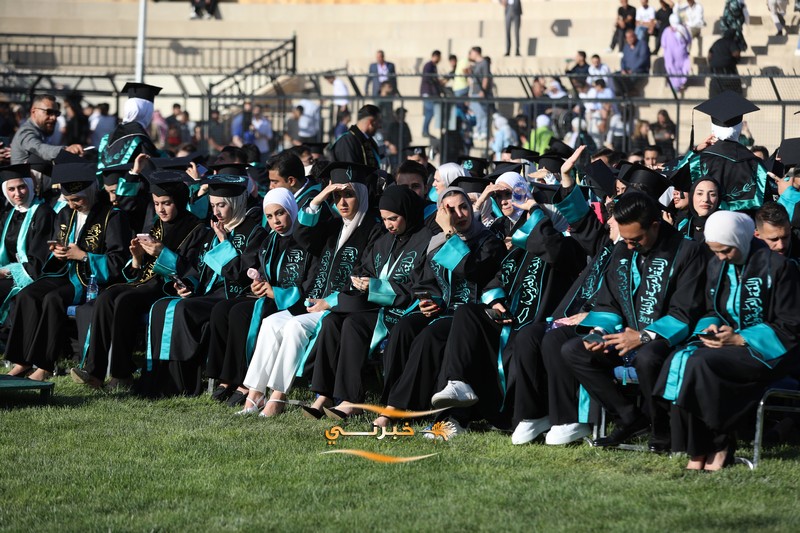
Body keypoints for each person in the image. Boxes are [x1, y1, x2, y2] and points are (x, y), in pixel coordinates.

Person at [560, 191, 706, 450]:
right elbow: (610, 302)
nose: (629, 245)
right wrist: (598, 332)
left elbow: (686, 311)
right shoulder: (623, 249)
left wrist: (643, 337)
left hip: (668, 339)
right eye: (625, 239)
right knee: (575, 350)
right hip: (626, 337)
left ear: (655, 226)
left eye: (636, 239)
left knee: (648, 357)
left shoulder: (688, 251)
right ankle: (629, 418)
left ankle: (662, 431)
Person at [656, 210, 800, 470]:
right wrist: (710, 328)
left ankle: (721, 445)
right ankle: (698, 449)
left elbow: (790, 326)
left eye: (725, 251)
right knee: (682, 358)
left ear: (741, 240)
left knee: (702, 365)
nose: (721, 257)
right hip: (728, 345)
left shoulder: (779, 267)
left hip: (771, 351)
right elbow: (713, 310)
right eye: (716, 251)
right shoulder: (717, 265)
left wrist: (740, 339)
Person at [239, 165, 382, 416]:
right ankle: (255, 394)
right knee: (271, 323)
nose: (342, 202)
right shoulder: (334, 226)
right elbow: (303, 236)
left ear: (362, 193)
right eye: (336, 196)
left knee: (294, 327)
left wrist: (330, 302)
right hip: (313, 302)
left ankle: (278, 397)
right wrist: (317, 199)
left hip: (340, 307)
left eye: (348, 194)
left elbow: (365, 278)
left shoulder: (374, 230)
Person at [376, 187, 506, 428]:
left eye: (463, 207)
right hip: (443, 309)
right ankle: (399, 402)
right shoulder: (437, 243)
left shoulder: (489, 242)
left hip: (471, 314)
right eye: (450, 210)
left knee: (429, 337)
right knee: (405, 327)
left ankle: (397, 408)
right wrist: (427, 300)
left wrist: (448, 233)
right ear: (441, 213)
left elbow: (471, 270)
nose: (459, 214)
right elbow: (425, 281)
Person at [69, 168, 207, 390]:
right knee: (106, 296)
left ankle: (121, 374)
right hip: (142, 283)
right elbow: (136, 271)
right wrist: (136, 258)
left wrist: (162, 252)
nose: (161, 209)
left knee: (125, 301)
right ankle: (94, 372)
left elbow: (192, 270)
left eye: (166, 203)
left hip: (167, 288)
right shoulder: (156, 224)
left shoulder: (197, 228)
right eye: (157, 203)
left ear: (179, 201)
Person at [302, 185, 432, 419]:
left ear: (408, 212)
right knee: (332, 320)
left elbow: (419, 286)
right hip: (372, 305)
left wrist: (374, 287)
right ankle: (324, 393)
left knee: (353, 325)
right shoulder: (384, 240)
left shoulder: (425, 240)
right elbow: (364, 267)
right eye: (383, 219)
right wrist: (361, 281)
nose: (388, 225)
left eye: (393, 218)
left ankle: (351, 399)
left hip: (400, 310)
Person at [141, 175, 267, 397]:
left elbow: (241, 276)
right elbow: (197, 269)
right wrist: (188, 284)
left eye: (221, 205)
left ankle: (182, 384)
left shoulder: (254, 233)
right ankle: (157, 380)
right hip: (207, 294)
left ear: (236, 203)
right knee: (161, 306)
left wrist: (223, 243)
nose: (216, 212)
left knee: (180, 309)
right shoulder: (212, 230)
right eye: (212, 206)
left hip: (231, 296)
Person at [5, 162, 130, 381]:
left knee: (53, 299)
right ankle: (22, 361)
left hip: (90, 278)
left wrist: (83, 256)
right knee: (28, 294)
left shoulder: (112, 216)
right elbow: (54, 248)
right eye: (69, 200)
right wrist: (58, 253)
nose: (72, 205)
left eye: (77, 199)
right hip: (63, 272)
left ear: (90, 192)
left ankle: (44, 366)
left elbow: (118, 261)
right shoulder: (64, 213)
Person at [206, 187, 317, 407]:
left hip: (294, 303)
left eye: (280, 213)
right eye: (269, 216)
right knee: (222, 309)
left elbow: (311, 283)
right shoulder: (270, 241)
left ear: (292, 210)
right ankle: (226, 377)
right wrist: (259, 286)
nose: (275, 221)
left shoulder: (307, 241)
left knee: (241, 313)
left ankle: (244, 383)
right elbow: (260, 273)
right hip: (269, 297)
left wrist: (275, 292)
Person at [680, 91, 767, 212]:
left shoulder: (699, 160)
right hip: (745, 224)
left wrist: (695, 150)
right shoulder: (755, 163)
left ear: (714, 128)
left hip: (708, 224)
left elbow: (675, 176)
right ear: (739, 127)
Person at [0, 164, 55, 324]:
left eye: (21, 187)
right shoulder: (9, 214)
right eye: (11, 189)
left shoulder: (43, 213)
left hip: (32, 275)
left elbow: (38, 260)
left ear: (30, 185)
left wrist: (6, 272)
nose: (17, 194)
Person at [97, 83, 161, 176]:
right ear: (146, 112)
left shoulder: (109, 135)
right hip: (130, 186)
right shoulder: (140, 138)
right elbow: (152, 168)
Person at [11, 94, 83, 165]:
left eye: (56, 113)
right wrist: (65, 150)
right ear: (34, 112)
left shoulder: (41, 131)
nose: (53, 117)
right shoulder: (26, 131)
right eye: (49, 112)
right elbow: (39, 148)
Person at [331, 105, 382, 169]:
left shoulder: (370, 141)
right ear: (371, 122)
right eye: (379, 122)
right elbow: (349, 172)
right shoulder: (346, 141)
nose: (380, 126)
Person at [661, 13, 691, 93]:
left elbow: (663, 43)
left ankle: (676, 86)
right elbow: (689, 40)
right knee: (683, 68)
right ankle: (682, 83)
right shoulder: (684, 29)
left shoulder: (666, 31)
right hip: (682, 53)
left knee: (672, 69)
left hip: (670, 55)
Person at [707, 30, 743, 96]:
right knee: (735, 92)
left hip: (715, 73)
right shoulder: (731, 42)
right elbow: (736, 53)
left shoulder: (717, 42)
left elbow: (709, 55)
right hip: (727, 73)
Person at [617, 30, 651, 96]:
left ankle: (629, 94)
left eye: (631, 37)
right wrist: (623, 69)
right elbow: (623, 60)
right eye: (627, 38)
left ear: (635, 36)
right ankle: (624, 94)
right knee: (615, 76)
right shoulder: (626, 47)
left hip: (639, 70)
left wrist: (632, 70)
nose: (629, 39)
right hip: (627, 71)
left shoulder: (642, 44)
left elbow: (643, 59)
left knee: (629, 78)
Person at [468, 47, 492, 141]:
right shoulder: (475, 64)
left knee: (482, 112)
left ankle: (483, 131)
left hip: (480, 91)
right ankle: (477, 130)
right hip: (474, 90)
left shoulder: (484, 63)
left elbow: (486, 77)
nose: (471, 54)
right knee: (477, 112)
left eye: (472, 52)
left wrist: (483, 90)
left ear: (476, 52)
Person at [420, 51, 443, 138]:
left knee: (430, 112)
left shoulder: (433, 66)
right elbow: (427, 78)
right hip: (428, 93)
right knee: (430, 111)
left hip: (431, 93)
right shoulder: (429, 65)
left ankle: (425, 131)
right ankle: (425, 131)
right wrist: (436, 81)